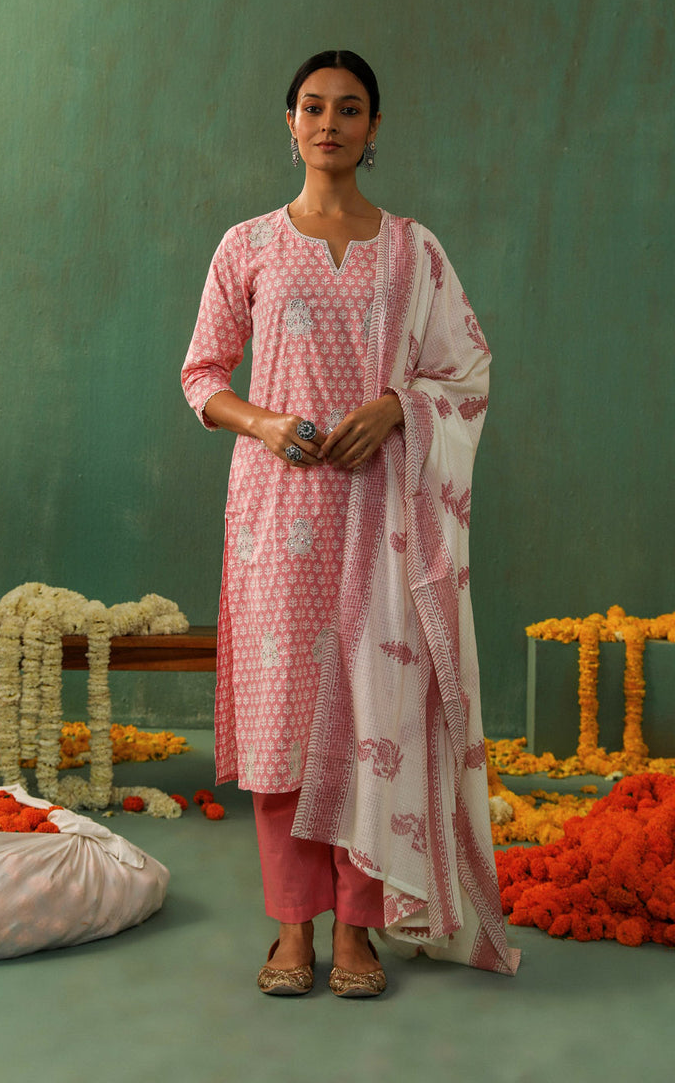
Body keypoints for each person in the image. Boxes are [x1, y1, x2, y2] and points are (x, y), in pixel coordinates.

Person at [181, 50, 519, 996]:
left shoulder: (414, 251)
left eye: (350, 108)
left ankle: (360, 931)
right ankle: (292, 930)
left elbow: (468, 370)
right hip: (276, 516)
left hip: (384, 515)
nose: (329, 122)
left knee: (379, 717)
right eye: (313, 106)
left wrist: (398, 406)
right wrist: (265, 423)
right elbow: (201, 375)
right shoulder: (247, 244)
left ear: (374, 130)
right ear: (289, 123)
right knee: (283, 722)